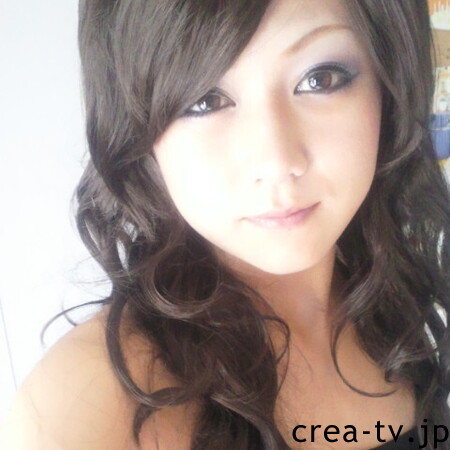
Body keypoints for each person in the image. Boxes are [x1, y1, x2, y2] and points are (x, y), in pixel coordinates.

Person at [1, 0, 449, 448]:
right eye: (205, 101)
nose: (276, 163)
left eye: (320, 79)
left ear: (387, 85)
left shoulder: (396, 302)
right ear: (139, 133)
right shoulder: (85, 400)